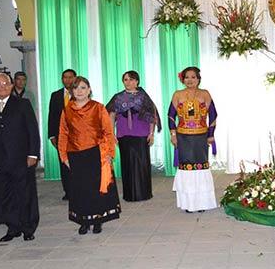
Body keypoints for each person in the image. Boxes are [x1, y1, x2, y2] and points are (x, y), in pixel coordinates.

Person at [0, 73, 40, 242]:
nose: (3, 86)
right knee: (4, 195)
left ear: (12, 86)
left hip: (21, 158)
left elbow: (32, 131)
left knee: (25, 194)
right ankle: (13, 227)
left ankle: (28, 227)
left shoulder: (22, 104)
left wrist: (33, 153)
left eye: (6, 83)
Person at [59, 76, 121, 234]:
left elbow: (108, 131)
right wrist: (64, 156)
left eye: (83, 87)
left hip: (96, 153)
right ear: (72, 91)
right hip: (75, 154)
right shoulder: (67, 110)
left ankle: (98, 220)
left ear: (89, 90)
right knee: (80, 189)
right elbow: (63, 134)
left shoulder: (98, 108)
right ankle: (83, 221)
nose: (79, 91)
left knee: (96, 188)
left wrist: (109, 153)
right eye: (76, 88)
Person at [168, 67, 218, 212]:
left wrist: (211, 134)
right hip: (183, 136)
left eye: (193, 77)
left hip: (201, 136)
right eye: (187, 77)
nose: (190, 80)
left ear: (198, 79)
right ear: (183, 79)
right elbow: (171, 116)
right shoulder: (178, 95)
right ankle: (189, 203)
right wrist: (173, 134)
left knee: (201, 167)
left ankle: (202, 202)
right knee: (187, 168)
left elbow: (213, 115)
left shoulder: (205, 94)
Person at [106, 70, 161, 202]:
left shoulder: (143, 97)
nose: (128, 82)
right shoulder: (117, 97)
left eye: (131, 79)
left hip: (141, 134)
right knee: (127, 164)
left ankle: (144, 193)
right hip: (124, 134)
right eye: (125, 79)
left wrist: (151, 133)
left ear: (137, 81)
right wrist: (111, 134)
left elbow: (152, 116)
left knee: (142, 163)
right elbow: (111, 115)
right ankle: (129, 194)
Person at [48, 69, 76, 201]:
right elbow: (52, 116)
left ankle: (79, 189)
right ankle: (68, 191)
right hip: (61, 135)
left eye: (70, 77)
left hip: (78, 136)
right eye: (65, 77)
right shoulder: (55, 95)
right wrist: (52, 135)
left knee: (77, 163)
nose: (68, 80)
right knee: (64, 163)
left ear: (75, 78)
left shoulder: (80, 93)